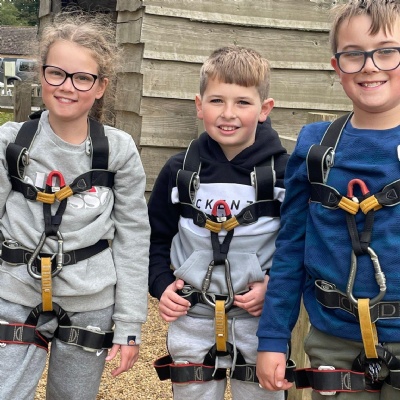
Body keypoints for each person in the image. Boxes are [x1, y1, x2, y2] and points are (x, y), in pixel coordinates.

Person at [0, 12, 150, 400]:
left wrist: (129, 323)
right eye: (57, 73)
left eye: (82, 78)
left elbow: (133, 238)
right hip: (14, 293)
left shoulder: (118, 151)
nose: (67, 86)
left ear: (100, 86)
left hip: (89, 302)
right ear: (42, 74)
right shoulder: (11, 143)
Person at [256, 1, 400, 399]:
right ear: (337, 66)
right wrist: (273, 337)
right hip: (333, 343)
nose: (370, 66)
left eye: (387, 51)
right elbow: (291, 247)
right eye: (354, 54)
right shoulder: (315, 147)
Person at [148, 46, 289, 400]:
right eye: (216, 101)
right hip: (192, 319)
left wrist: (273, 288)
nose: (228, 113)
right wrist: (161, 284)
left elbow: (297, 246)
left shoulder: (284, 174)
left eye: (242, 102)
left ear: (265, 109)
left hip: (259, 323)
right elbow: (154, 238)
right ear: (199, 105)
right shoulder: (179, 172)